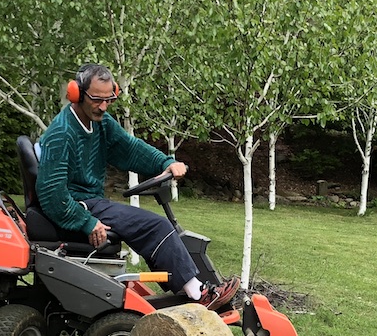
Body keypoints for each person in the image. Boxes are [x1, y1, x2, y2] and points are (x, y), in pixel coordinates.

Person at [35, 63, 240, 311]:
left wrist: (166, 162)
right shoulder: (61, 133)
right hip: (78, 205)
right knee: (155, 226)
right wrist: (86, 222)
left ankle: (190, 288)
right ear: (76, 93)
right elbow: (51, 193)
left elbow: (130, 149)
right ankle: (199, 294)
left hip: (90, 202)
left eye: (109, 99)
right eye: (96, 99)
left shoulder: (101, 123)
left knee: (150, 225)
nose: (103, 106)